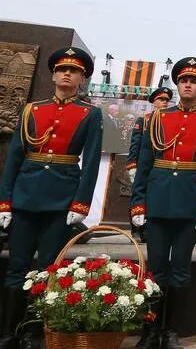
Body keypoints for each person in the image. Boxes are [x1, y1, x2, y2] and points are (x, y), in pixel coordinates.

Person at [0, 48, 103, 349]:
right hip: (25, 197)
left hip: (61, 201)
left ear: (82, 78)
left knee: (47, 269)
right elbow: (14, 159)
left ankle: (33, 333)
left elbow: (92, 161)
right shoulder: (32, 109)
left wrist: (81, 204)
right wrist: (4, 202)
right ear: (53, 74)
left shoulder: (89, 113)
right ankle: (8, 333)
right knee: (16, 266)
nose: (66, 74)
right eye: (61, 69)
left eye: (74, 71)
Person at [130, 57, 196, 349]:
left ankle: (171, 331)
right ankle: (150, 330)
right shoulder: (156, 118)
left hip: (190, 202)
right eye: (183, 79)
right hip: (157, 199)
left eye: (194, 81)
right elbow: (144, 163)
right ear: (177, 84)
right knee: (156, 268)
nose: (187, 84)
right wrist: (138, 204)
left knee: (180, 268)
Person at [126, 86, 173, 244]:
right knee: (138, 195)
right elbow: (135, 145)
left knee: (153, 198)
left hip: (160, 166)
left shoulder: (170, 121)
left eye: (167, 100)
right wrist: (132, 165)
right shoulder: (144, 120)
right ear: (154, 102)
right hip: (142, 165)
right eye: (161, 99)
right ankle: (136, 230)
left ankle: (147, 230)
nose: (165, 103)